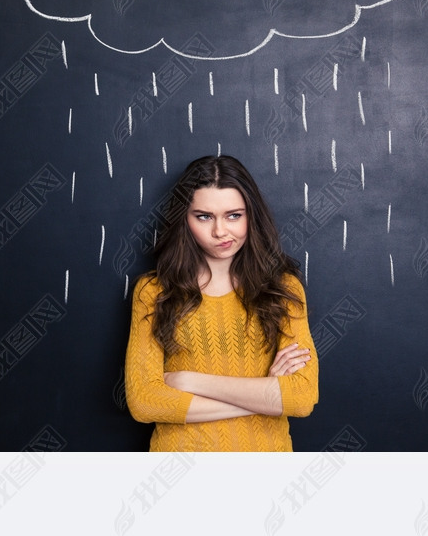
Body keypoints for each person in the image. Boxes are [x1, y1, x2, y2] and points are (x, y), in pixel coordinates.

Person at [123, 155, 319, 451]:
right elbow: (145, 403)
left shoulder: (283, 289)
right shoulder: (153, 292)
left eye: (234, 215)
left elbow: (302, 398)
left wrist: (189, 380)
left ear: (251, 216)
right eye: (203, 216)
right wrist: (266, 395)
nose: (220, 232)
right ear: (184, 218)